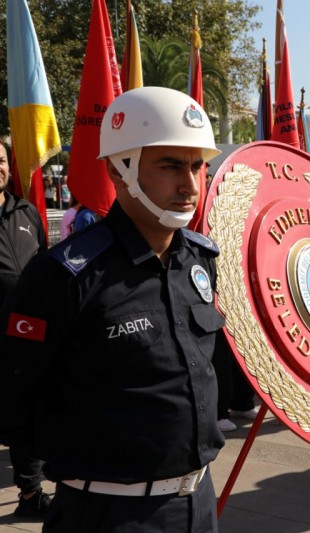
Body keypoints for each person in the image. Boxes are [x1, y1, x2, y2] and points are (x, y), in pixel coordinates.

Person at [0, 87, 225, 532]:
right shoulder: (66, 275)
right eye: (170, 166)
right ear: (119, 169)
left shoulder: (199, 260)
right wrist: (83, 464)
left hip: (199, 505)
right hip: (107, 514)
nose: (190, 185)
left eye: (198, 166)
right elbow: (11, 394)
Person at [0, 142, 50, 519]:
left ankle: (30, 495)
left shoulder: (26, 211)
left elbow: (44, 263)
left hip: (27, 337)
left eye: (0, 161)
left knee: (26, 413)